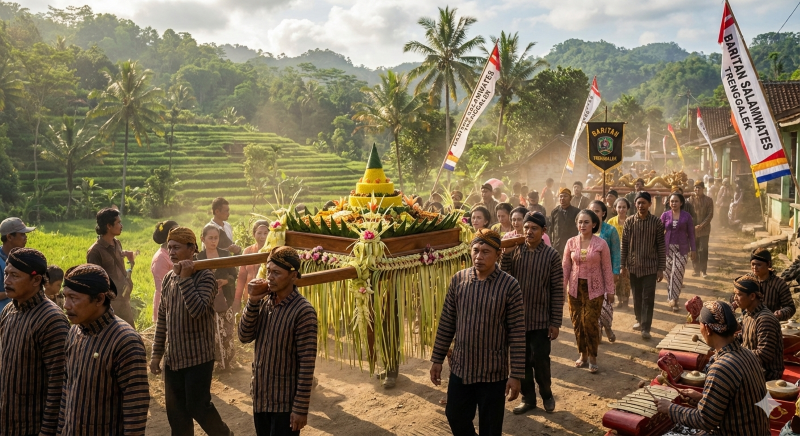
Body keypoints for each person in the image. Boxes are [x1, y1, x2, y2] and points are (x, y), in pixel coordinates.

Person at [430, 229, 525, 436]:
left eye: (485, 252)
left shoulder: (510, 286)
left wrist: (516, 374)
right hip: (461, 367)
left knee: (490, 429)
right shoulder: (459, 280)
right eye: (475, 250)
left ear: (498, 254)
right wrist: (437, 358)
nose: (479, 257)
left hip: (492, 372)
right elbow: (447, 321)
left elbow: (517, 334)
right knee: (455, 416)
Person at [150, 227, 233, 436]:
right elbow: (162, 320)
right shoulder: (169, 278)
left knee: (198, 406)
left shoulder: (206, 278)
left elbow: (197, 311)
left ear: (192, 248)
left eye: (176, 247)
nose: (172, 252)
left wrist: (186, 279)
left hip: (198, 357)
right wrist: (156, 354)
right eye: (169, 248)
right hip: (174, 358)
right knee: (176, 414)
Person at [58, 264, 150, 435]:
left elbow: (135, 409)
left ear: (99, 299)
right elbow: (66, 390)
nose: (66, 305)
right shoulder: (74, 333)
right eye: (65, 297)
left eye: (73, 298)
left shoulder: (125, 341)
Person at [655, 301, 770, 435]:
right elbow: (738, 402)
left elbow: (705, 420)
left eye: (700, 325)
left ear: (708, 329)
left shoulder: (721, 368)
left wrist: (670, 408)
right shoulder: (748, 354)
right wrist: (703, 398)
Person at [239, 246, 318, 436]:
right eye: (268, 272)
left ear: (293, 276)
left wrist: (300, 408)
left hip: (284, 405)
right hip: (261, 398)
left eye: (276, 272)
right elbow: (244, 336)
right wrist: (252, 302)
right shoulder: (265, 302)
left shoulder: (303, 311)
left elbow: (307, 365)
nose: (270, 277)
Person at [0, 247, 69, 436]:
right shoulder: (9, 311)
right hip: (7, 423)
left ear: (36, 279)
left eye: (14, 275)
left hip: (34, 426)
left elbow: (60, 385)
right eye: (6, 274)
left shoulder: (52, 320)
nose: (7, 281)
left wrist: (47, 431)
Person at [501, 212, 563, 414]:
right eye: (526, 227)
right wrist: (507, 254)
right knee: (521, 361)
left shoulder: (552, 255)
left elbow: (556, 290)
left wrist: (555, 322)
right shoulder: (516, 250)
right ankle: (528, 399)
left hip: (540, 320)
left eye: (534, 228)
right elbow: (505, 276)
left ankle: (546, 394)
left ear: (544, 231)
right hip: (517, 319)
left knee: (541, 360)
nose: (528, 231)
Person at [563, 210, 615, 373]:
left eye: (586, 222)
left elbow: (607, 268)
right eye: (580, 222)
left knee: (590, 322)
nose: (582, 225)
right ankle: (582, 355)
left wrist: (610, 290)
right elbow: (565, 267)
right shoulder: (571, 242)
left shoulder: (601, 244)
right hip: (574, 289)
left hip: (595, 289)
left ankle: (593, 357)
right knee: (578, 322)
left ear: (594, 224)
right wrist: (560, 288)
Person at [621, 192, 666, 340]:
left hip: (650, 267)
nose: (641, 206)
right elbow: (625, 245)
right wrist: (623, 265)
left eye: (644, 203)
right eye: (638, 203)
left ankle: (646, 328)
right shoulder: (629, 222)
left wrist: (661, 268)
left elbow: (661, 246)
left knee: (648, 297)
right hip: (633, 266)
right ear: (635, 204)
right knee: (637, 296)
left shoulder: (656, 222)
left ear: (649, 204)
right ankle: (639, 320)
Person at [197, 224, 238, 371]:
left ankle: (229, 362)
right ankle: (215, 363)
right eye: (210, 238)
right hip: (206, 300)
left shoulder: (225, 255)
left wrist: (225, 281)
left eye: (216, 238)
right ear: (203, 239)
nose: (214, 241)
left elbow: (234, 274)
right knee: (211, 331)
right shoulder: (198, 258)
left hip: (225, 297)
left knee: (227, 329)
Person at [87, 208, 137, 327]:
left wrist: (131, 263)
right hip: (110, 304)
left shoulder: (117, 243)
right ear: (109, 226)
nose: (121, 225)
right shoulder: (95, 252)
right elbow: (95, 283)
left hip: (123, 300)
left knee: (131, 334)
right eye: (118, 223)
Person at [732, 276, 783, 381]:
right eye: (735, 294)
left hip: (766, 375)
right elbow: (746, 336)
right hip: (750, 367)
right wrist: (728, 343)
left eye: (739, 294)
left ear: (752, 296)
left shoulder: (765, 319)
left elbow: (764, 355)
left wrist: (735, 354)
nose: (735, 298)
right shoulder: (748, 314)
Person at [589, 201, 620, 342]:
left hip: (606, 273)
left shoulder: (611, 231)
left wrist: (615, 272)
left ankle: (607, 326)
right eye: (591, 211)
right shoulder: (584, 229)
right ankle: (598, 331)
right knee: (593, 304)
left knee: (606, 303)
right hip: (589, 273)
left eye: (597, 211)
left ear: (603, 213)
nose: (594, 213)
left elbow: (616, 253)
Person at [661, 193, 696, 312]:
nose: (674, 203)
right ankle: (673, 295)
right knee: (668, 273)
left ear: (681, 203)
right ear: (669, 203)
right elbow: (659, 233)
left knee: (677, 273)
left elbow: (691, 234)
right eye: (672, 201)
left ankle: (674, 300)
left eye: (676, 201)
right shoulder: (665, 215)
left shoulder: (687, 217)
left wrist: (694, 249)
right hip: (667, 249)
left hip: (682, 249)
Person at [747, 248, 796, 321]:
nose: (755, 267)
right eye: (753, 264)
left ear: (768, 264)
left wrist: (781, 313)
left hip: (770, 324)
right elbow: (735, 297)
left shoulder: (779, 284)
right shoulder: (747, 280)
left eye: (759, 265)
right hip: (749, 322)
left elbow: (790, 307)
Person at [0, 217, 36, 313]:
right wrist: (17, 293)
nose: (25, 237)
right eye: (22, 234)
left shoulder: (22, 258)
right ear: (9, 237)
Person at [235, 220, 270, 313]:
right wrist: (237, 298)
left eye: (265, 233)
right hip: (249, 296)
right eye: (259, 233)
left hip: (267, 297)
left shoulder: (273, 250)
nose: (262, 236)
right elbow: (242, 276)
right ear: (254, 234)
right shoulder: (247, 251)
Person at [151, 220, 179, 323]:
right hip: (166, 304)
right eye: (176, 231)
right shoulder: (161, 258)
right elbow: (162, 287)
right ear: (168, 236)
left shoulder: (175, 252)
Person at [608, 198, 631, 310]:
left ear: (627, 209)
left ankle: (626, 300)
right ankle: (619, 299)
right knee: (616, 277)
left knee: (626, 277)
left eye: (624, 207)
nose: (621, 209)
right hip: (615, 254)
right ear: (615, 208)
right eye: (619, 207)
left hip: (629, 253)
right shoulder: (611, 222)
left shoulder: (631, 221)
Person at [688, 181, 714, 278]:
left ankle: (703, 271)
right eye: (695, 188)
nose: (697, 190)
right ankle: (696, 270)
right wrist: (692, 226)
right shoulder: (690, 200)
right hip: (692, 229)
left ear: (703, 189)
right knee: (693, 249)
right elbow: (687, 214)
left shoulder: (708, 200)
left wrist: (701, 225)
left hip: (704, 229)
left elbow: (710, 214)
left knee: (703, 249)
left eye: (699, 188)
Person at [549, 188, 581, 256]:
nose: (562, 198)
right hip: (557, 246)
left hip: (572, 246)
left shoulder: (577, 212)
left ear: (571, 198)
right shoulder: (554, 212)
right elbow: (550, 229)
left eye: (565, 196)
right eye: (561, 196)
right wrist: (551, 243)